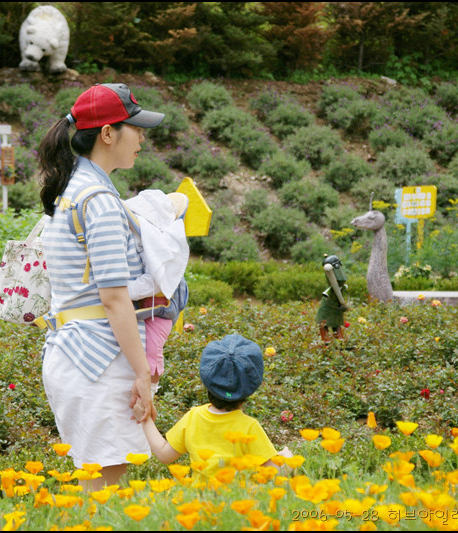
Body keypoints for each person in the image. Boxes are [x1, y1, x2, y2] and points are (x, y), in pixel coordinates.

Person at [37, 83, 166, 491]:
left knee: (98, 490)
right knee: (105, 497)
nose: (142, 138)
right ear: (108, 133)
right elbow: (113, 299)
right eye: (136, 128)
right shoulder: (100, 202)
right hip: (99, 361)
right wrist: (143, 374)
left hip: (74, 352)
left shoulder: (70, 188)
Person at [133, 334, 292, 482]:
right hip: (236, 501)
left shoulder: (194, 417)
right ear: (251, 387)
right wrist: (287, 459)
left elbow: (163, 454)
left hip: (199, 499)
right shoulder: (250, 427)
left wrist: (145, 419)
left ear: (206, 380)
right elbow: (275, 472)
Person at [123, 189, 190, 392]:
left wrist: (122, 291)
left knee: (152, 350)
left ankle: (151, 388)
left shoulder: (168, 248)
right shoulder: (145, 241)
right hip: (146, 309)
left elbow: (158, 280)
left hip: (161, 312)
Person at [316, 254, 349, 343]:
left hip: (337, 304)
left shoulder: (341, 284)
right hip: (329, 305)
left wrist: (343, 303)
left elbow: (341, 283)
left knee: (336, 323)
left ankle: (340, 340)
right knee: (323, 322)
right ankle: (326, 340)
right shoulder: (331, 289)